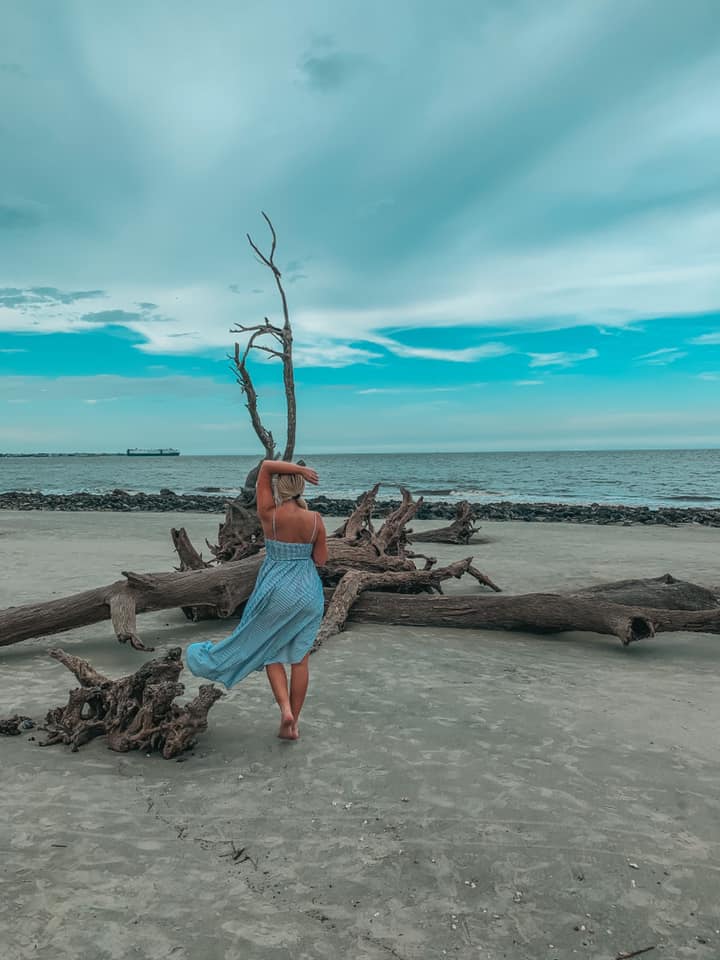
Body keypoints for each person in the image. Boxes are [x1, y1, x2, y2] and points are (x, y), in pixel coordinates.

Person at [185, 460, 327, 740]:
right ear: (301, 489)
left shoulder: (269, 514)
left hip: (275, 589)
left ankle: (284, 709)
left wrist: (297, 470)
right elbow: (321, 560)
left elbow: (265, 469)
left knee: (271, 652)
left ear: (280, 488)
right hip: (308, 591)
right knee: (300, 660)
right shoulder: (315, 521)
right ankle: (293, 723)